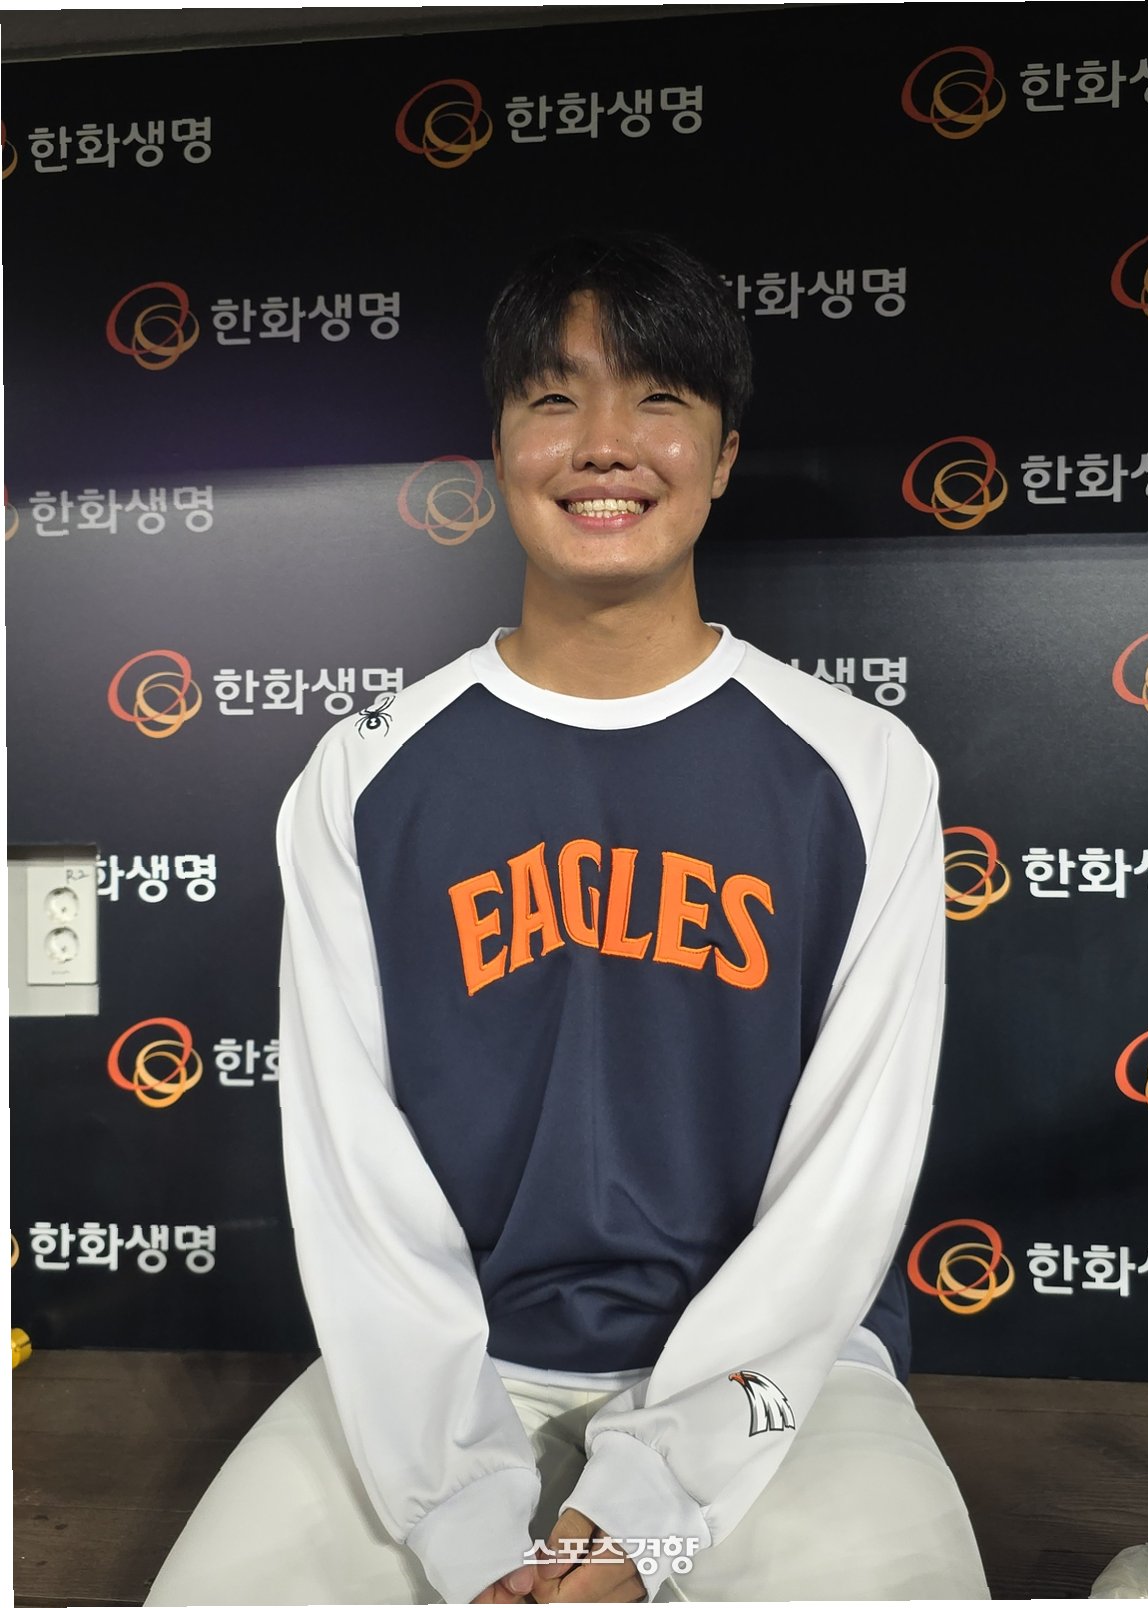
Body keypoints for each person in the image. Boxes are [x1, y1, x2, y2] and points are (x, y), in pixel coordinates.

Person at [144, 233, 989, 1606]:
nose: (604, 443)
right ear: (497, 452)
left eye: (659, 398)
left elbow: (848, 1177)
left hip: (780, 1380)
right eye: (554, 398)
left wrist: (654, 1515)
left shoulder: (860, 768)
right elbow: (357, 1184)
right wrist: (465, 1517)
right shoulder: (365, 775)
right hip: (451, 1372)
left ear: (722, 456)